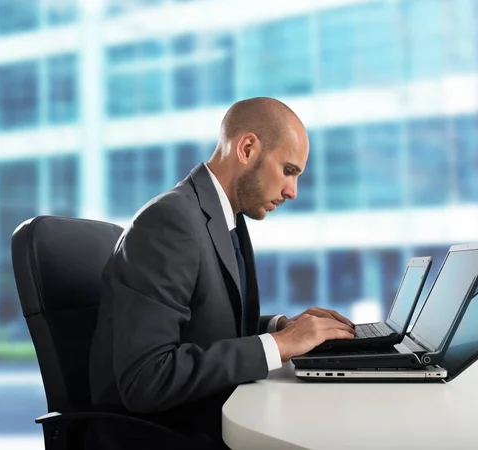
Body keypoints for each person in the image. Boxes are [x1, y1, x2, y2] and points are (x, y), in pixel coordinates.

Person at [87, 97, 356, 450]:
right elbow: (146, 379)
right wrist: (278, 346)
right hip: (164, 434)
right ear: (247, 148)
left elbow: (201, 328)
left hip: (206, 416)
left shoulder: (224, 218)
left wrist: (280, 329)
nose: (293, 191)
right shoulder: (170, 222)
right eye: (289, 171)